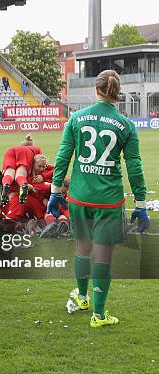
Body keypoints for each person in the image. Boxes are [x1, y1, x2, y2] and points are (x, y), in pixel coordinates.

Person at [47, 70, 149, 328]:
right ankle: (99, 315)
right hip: (109, 201)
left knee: (82, 249)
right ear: (116, 92)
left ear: (96, 89)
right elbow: (134, 166)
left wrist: (55, 191)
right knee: (103, 257)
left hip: (80, 198)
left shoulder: (77, 118)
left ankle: (82, 298)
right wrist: (140, 204)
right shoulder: (125, 124)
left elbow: (63, 157)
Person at [0, 135, 43, 207]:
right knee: (20, 173)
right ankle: (23, 185)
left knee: (9, 172)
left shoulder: (17, 147)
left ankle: (6, 184)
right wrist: (42, 175)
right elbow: (42, 162)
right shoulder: (36, 149)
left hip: (10, 150)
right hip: (27, 153)